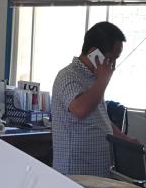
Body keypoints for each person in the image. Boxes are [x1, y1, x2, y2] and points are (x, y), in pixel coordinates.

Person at [50, 21, 129, 177]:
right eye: (110, 59)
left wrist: (126, 140)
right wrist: (102, 81)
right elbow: (80, 109)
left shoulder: (94, 79)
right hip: (75, 172)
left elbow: (100, 119)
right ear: (94, 53)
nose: (113, 66)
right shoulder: (68, 75)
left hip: (97, 172)